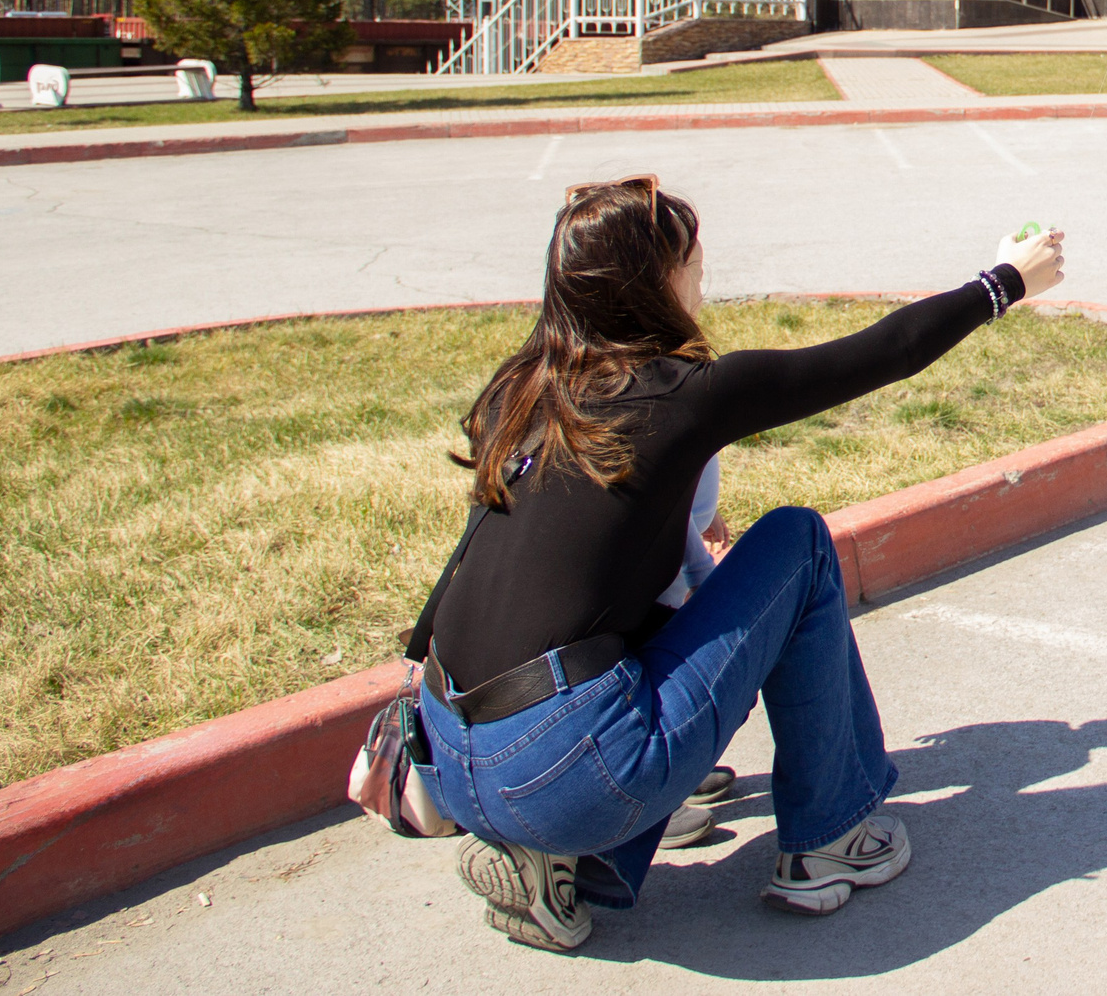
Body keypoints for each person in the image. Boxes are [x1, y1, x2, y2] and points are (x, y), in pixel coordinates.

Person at [414, 175, 1066, 952]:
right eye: (690, 257)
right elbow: (887, 351)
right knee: (796, 542)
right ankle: (829, 837)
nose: (700, 274)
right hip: (569, 763)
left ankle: (550, 859)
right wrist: (1008, 280)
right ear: (654, 282)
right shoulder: (680, 395)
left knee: (653, 625)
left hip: (448, 756)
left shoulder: (521, 392)